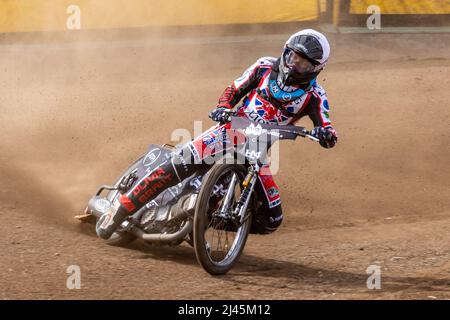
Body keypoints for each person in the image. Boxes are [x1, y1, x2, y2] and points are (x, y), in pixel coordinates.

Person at [96, 29, 338, 240]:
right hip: (229, 130)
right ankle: (118, 211)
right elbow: (234, 89)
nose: (294, 65)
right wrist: (224, 107)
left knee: (272, 219)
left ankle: (205, 219)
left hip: (257, 151)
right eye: (292, 57)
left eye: (303, 63)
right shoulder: (264, 65)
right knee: (176, 166)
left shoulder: (316, 96)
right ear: (285, 51)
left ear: (315, 69)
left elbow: (327, 126)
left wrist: (325, 134)